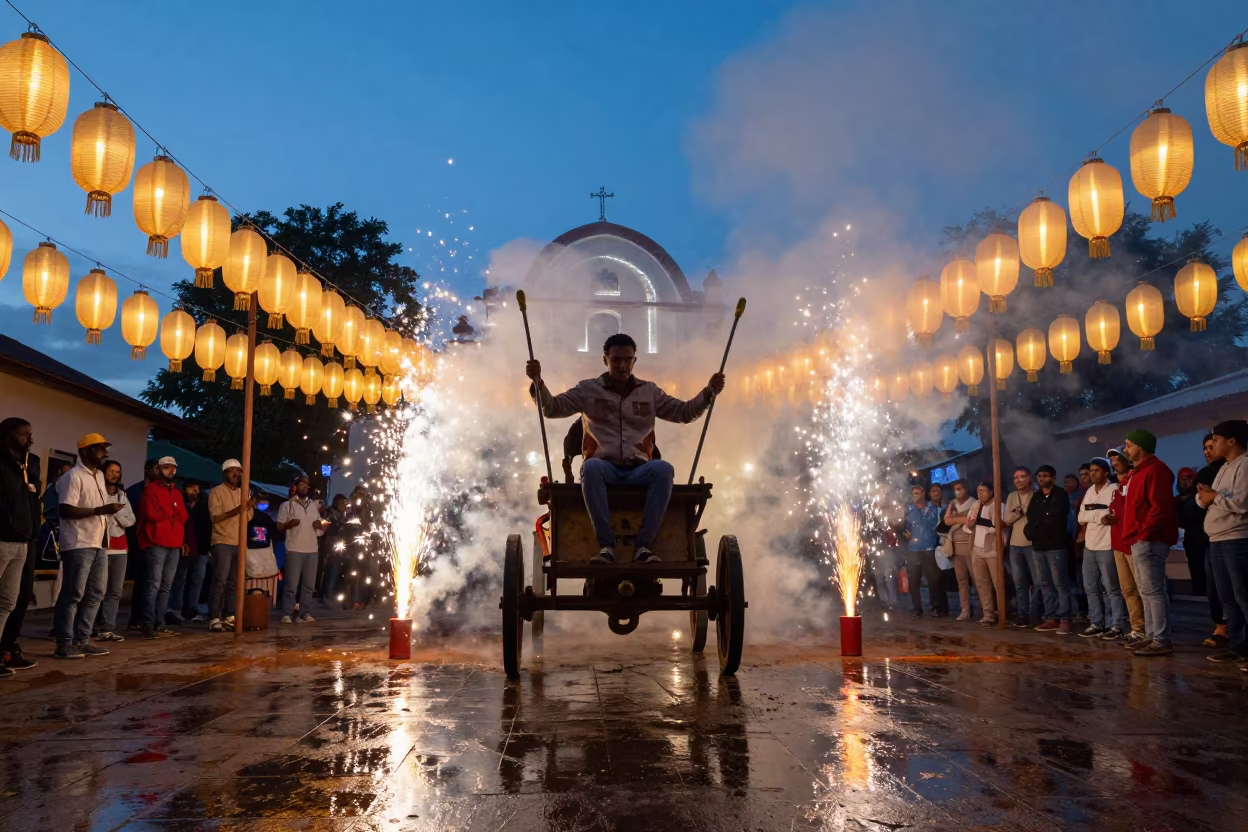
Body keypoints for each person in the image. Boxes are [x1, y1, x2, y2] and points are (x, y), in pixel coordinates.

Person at [526, 333, 724, 564]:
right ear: (605, 360)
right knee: (591, 468)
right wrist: (538, 382)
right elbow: (552, 408)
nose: (622, 366)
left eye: (627, 360)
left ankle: (644, 547)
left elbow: (684, 413)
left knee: (663, 470)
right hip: (603, 469)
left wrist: (709, 392)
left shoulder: (649, 392)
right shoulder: (588, 390)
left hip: (639, 470)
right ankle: (606, 546)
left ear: (634, 361)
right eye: (616, 359)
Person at [52, 434, 124, 659]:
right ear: (85, 452)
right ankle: (64, 645)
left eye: (105, 448)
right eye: (100, 448)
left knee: (95, 593)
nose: (105, 453)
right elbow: (65, 510)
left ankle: (82, 641)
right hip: (79, 543)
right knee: (73, 593)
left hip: (100, 542)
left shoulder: (100, 475)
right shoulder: (73, 477)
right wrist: (100, 511)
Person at [1120, 429, 1179, 657]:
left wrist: (1144, 533)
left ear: (1141, 447)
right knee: (1146, 590)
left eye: (1128, 445)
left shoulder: (1156, 470)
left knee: (1153, 590)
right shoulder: (1138, 472)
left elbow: (1160, 507)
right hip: (1139, 538)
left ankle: (1161, 639)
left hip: (1150, 539)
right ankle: (1152, 636)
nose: (1126, 450)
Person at [1197, 420, 1248, 669]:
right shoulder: (1225, 467)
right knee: (1227, 597)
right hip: (1217, 538)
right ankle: (1237, 648)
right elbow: (1205, 500)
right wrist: (1206, 496)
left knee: (1243, 595)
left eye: (1216, 439)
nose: (1213, 444)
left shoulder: (1245, 464)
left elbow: (1240, 504)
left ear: (1231, 441)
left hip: (1236, 538)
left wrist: (1213, 496)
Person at [0, 418, 40, 678]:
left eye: (30, 433)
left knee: (7, 602)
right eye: (24, 434)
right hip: (2, 538)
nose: (29, 438)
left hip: (22, 541)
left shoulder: (28, 463)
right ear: (9, 435)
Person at [1077, 457, 1127, 640]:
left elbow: (1112, 514)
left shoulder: (1113, 489)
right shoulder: (1090, 491)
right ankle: (1096, 623)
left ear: (1106, 472)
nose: (1092, 473)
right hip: (1090, 544)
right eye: (1091, 470)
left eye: (1096, 470)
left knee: (1111, 587)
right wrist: (1098, 516)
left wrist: (1093, 514)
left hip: (1106, 544)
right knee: (1090, 586)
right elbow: (1081, 517)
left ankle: (1116, 625)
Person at [138, 456, 187, 639]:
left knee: (166, 586)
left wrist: (169, 510)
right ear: (158, 470)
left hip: (174, 543)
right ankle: (148, 624)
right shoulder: (150, 490)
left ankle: (159, 623)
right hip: (157, 542)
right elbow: (152, 514)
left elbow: (183, 516)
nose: (171, 471)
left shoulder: (177, 493)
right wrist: (170, 510)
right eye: (166, 468)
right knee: (154, 584)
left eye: (173, 468)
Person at [1106, 447, 1147, 646]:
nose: (1113, 461)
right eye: (1111, 459)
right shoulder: (1117, 487)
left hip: (1134, 542)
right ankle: (1137, 628)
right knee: (1128, 590)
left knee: (1143, 588)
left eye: (1117, 457)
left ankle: (1152, 630)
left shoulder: (1135, 480)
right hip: (1118, 542)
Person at [1025, 464, 1073, 634]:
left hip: (1056, 546)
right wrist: (1035, 528)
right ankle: (1051, 617)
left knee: (1060, 583)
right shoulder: (1036, 496)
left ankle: (1065, 618)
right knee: (1045, 583)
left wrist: (1042, 521)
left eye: (1045, 476)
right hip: (1038, 546)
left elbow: (1057, 519)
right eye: (1039, 476)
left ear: (1052, 477)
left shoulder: (1060, 495)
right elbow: (1031, 517)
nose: (1041, 479)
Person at [207, 459, 253, 632]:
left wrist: (248, 506)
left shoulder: (243, 492)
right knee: (220, 580)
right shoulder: (216, 492)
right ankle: (213, 617)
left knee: (234, 582)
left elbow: (248, 517)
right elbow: (216, 517)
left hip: (239, 542)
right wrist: (239, 509)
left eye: (238, 471)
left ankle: (229, 615)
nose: (236, 474)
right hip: (222, 541)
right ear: (225, 473)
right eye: (232, 471)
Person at [94, 460, 134, 643]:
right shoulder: (98, 493)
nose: (115, 474)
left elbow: (130, 521)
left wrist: (115, 512)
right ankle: (92, 627)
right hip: (101, 546)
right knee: (97, 590)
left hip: (120, 548)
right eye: (111, 471)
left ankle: (108, 628)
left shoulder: (122, 496)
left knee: (115, 591)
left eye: (118, 471)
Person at [277, 476, 324, 624]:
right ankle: (287, 613)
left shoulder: (313, 506)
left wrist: (319, 527)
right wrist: (289, 524)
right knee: (291, 584)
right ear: (295, 486)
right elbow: (279, 526)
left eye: (306, 485)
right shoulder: (287, 505)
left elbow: (320, 528)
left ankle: (305, 613)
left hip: (312, 549)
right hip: (294, 548)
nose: (304, 487)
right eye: (301, 484)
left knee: (309, 585)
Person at [1196, 434, 1228, 648]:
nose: (1208, 451)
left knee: (1236, 587)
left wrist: (1213, 498)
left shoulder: (1236, 468)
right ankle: (1221, 627)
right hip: (1210, 536)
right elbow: (1195, 504)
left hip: (1235, 533)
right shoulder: (1205, 473)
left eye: (1211, 446)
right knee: (1214, 585)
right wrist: (1203, 501)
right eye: (1205, 447)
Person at [1002, 467, 1041, 628]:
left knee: (1038, 582)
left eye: (1022, 477)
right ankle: (1022, 614)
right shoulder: (1012, 496)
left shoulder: (1036, 495)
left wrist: (1019, 512)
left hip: (1032, 544)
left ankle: (1035, 613)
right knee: (1020, 582)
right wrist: (1019, 512)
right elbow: (1007, 519)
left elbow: (1036, 516)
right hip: (1015, 544)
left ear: (1029, 478)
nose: (1018, 480)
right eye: (1016, 477)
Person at [168, 480, 211, 623]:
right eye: (192, 488)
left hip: (201, 548)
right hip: (184, 547)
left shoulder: (203, 507)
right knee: (180, 579)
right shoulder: (180, 505)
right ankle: (176, 608)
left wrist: (207, 547)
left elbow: (207, 527)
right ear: (185, 489)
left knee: (197, 580)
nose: (195, 491)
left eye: (197, 488)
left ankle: (193, 609)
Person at [124, 458, 158, 632]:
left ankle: (151, 617)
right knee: (141, 580)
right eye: (156, 468)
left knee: (153, 581)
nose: (158, 472)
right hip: (138, 542)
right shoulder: (134, 491)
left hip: (157, 541)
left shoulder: (162, 491)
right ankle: (136, 617)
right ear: (147, 470)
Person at [903, 483, 944, 618]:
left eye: (918, 493)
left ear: (924, 494)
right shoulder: (909, 510)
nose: (916, 496)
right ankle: (917, 608)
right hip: (913, 549)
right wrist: (905, 534)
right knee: (914, 580)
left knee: (933, 579)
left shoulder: (932, 508)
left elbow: (937, 527)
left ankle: (935, 607)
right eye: (914, 494)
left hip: (928, 548)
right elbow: (905, 528)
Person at [963, 481, 1001, 625]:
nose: (980, 493)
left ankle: (1002, 612)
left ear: (991, 492)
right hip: (977, 549)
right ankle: (988, 614)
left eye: (983, 490)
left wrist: (981, 522)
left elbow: (998, 525)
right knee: (981, 583)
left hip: (992, 549)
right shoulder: (976, 505)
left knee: (998, 583)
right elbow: (969, 523)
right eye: (978, 491)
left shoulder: (998, 505)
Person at [942, 480, 975, 621]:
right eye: (955, 489)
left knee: (978, 579)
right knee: (961, 580)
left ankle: (989, 609)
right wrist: (956, 517)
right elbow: (947, 521)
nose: (957, 491)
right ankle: (965, 609)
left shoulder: (974, 503)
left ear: (966, 489)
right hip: (956, 547)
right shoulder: (952, 503)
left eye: (959, 488)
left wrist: (956, 518)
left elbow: (971, 520)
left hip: (971, 546)